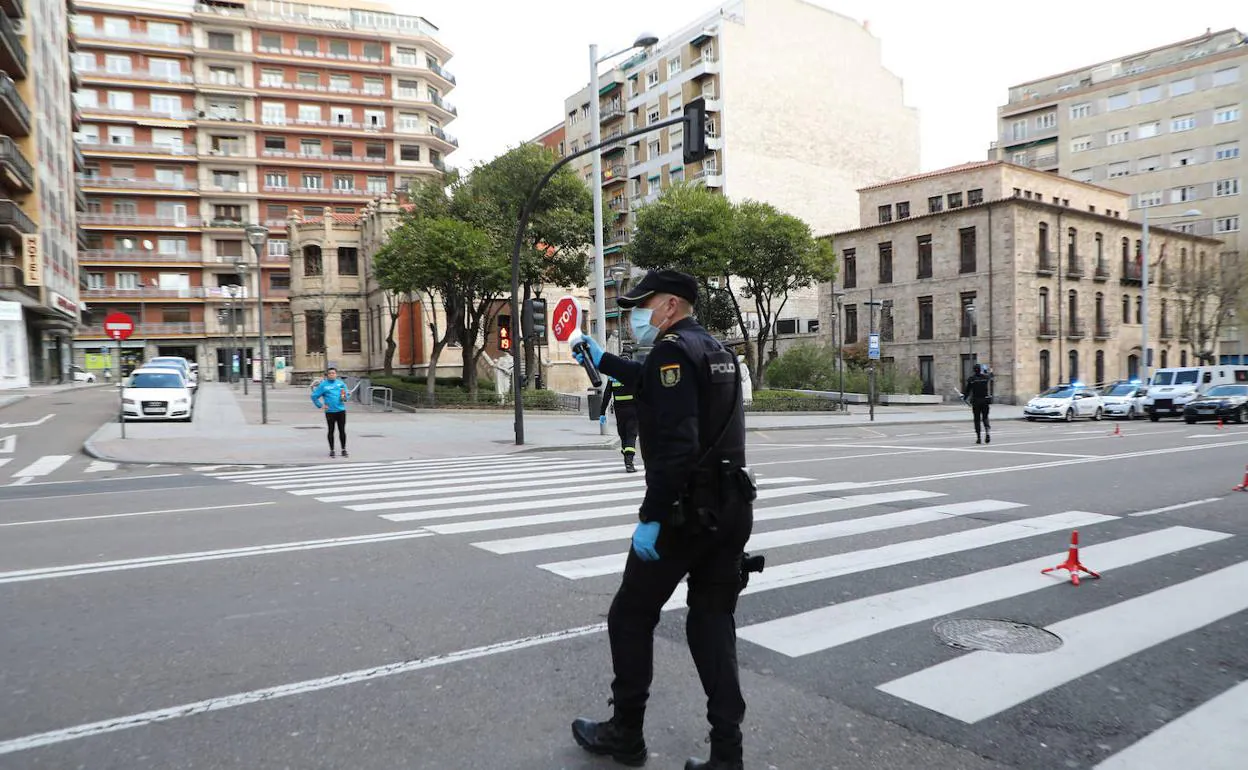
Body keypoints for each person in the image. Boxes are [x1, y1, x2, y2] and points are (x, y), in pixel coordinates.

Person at [570, 269, 755, 770]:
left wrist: (651, 517)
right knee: (712, 622)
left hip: (685, 513)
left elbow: (676, 449)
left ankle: (626, 734)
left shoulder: (672, 351)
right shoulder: (716, 350)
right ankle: (726, 756)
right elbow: (659, 384)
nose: (638, 315)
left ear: (670, 305)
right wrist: (602, 359)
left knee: (630, 615)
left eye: (643, 304)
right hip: (732, 507)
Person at [600, 371, 640, 473]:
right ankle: (629, 463)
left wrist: (602, 412)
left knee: (624, 436)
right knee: (631, 436)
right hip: (633, 410)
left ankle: (627, 459)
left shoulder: (613, 377)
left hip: (620, 412)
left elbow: (607, 395)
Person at [311, 367, 349, 457]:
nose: (332, 375)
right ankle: (332, 450)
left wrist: (345, 397)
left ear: (336, 374)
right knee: (331, 430)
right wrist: (320, 405)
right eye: (330, 373)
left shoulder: (341, 384)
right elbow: (314, 396)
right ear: (327, 375)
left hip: (341, 411)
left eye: (333, 373)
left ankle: (343, 449)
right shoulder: (323, 385)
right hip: (330, 412)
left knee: (342, 430)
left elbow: (345, 396)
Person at [963, 363, 993, 444]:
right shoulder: (985, 378)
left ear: (974, 370)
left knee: (977, 419)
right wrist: (989, 370)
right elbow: (991, 376)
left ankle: (978, 437)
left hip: (976, 401)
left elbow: (967, 391)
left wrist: (964, 398)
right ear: (980, 370)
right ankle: (987, 433)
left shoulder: (972, 379)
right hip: (985, 401)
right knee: (985, 418)